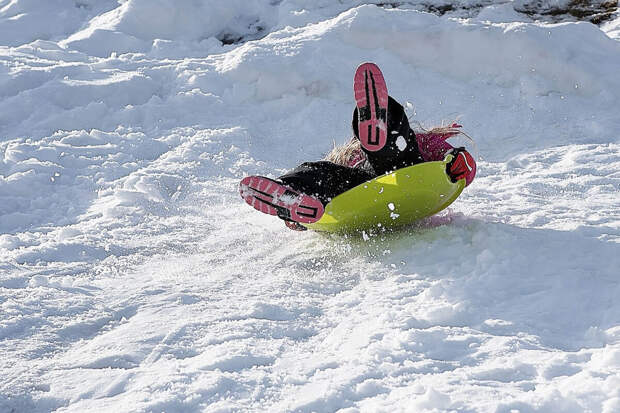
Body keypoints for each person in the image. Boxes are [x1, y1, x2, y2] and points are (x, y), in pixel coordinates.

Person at [240, 62, 476, 231]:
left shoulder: (424, 143)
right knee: (321, 172)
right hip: (362, 192)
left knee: (392, 152)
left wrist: (459, 165)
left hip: (408, 173)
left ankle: (384, 126)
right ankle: (292, 195)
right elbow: (331, 183)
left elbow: (460, 165)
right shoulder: (349, 157)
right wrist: (299, 219)